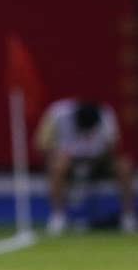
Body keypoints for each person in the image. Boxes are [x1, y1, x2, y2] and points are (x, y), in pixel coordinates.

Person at [34, 98, 136, 235]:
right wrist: (57, 153)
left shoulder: (106, 115)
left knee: (124, 166)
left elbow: (114, 147)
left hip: (98, 161)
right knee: (58, 166)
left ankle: (127, 216)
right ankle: (58, 217)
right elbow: (41, 144)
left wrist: (100, 155)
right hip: (69, 162)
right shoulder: (57, 113)